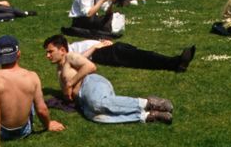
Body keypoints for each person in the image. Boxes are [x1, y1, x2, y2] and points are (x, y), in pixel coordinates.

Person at [43, 34, 174, 124]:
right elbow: (82, 60)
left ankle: (148, 103)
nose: (47, 55)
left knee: (97, 103)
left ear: (62, 50)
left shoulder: (70, 57)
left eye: (50, 51)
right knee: (95, 116)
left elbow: (90, 66)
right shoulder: (60, 68)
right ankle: (147, 116)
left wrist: (70, 84)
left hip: (90, 84)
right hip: (83, 99)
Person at [68, 37, 195, 73]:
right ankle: (176, 62)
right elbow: (79, 60)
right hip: (104, 54)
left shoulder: (70, 46)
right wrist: (95, 47)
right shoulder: (68, 54)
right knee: (142, 58)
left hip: (109, 48)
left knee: (142, 55)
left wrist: (102, 41)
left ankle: (176, 63)